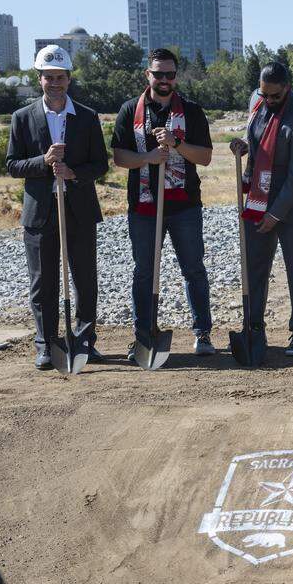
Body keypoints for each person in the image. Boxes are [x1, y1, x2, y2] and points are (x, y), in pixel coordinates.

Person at [6, 45, 109, 370]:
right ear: (39, 79)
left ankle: (84, 340)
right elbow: (12, 165)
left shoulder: (87, 117)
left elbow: (100, 164)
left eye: (60, 77)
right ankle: (47, 344)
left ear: (69, 79)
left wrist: (73, 173)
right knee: (43, 282)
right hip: (40, 212)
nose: (54, 83)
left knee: (85, 280)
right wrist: (44, 161)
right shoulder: (22, 118)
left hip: (79, 210)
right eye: (48, 77)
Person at [111, 48, 214, 360]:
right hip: (144, 208)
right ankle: (143, 335)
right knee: (144, 272)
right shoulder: (130, 110)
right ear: (148, 74)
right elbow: (119, 157)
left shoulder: (192, 112)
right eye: (158, 74)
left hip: (185, 207)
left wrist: (176, 143)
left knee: (193, 269)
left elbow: (205, 157)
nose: (164, 79)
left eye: (170, 74)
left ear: (176, 76)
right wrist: (148, 157)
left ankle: (202, 333)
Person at [229, 61, 293, 357]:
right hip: (259, 199)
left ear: (288, 88)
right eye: (265, 94)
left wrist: (275, 214)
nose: (269, 100)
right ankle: (254, 328)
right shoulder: (258, 103)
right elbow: (260, 142)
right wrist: (245, 147)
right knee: (254, 267)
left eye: (275, 96)